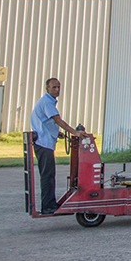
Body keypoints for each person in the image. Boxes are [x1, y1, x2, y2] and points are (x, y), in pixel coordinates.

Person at [30, 78, 86, 214]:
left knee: (49, 174)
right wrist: (75, 132)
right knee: (47, 175)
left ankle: (49, 203)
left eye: (58, 87)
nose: (57, 90)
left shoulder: (48, 102)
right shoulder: (47, 102)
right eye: (54, 87)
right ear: (47, 88)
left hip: (45, 141)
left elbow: (47, 122)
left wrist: (58, 133)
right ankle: (48, 206)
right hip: (43, 143)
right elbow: (58, 120)